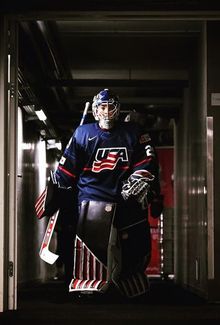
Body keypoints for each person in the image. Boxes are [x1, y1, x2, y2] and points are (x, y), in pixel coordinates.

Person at [52, 88, 161, 298]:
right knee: (90, 247)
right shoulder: (83, 133)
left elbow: (148, 158)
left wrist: (141, 176)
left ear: (118, 109)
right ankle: (89, 280)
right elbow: (67, 168)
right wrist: (58, 189)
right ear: (95, 109)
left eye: (111, 106)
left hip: (126, 197)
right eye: (103, 106)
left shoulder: (134, 131)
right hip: (92, 198)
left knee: (135, 243)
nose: (107, 111)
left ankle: (129, 277)